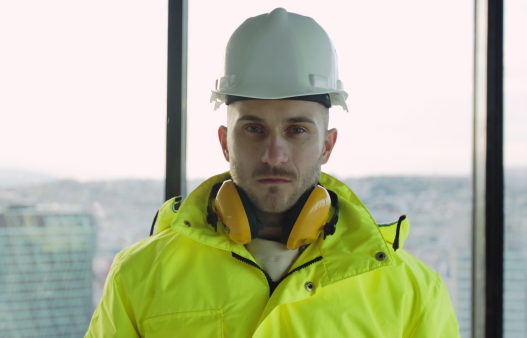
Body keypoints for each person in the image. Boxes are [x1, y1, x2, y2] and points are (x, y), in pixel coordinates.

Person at [85, 8, 460, 337]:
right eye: (253, 129)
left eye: (297, 130)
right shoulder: (139, 274)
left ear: (327, 145)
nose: (274, 154)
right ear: (225, 142)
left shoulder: (413, 291)